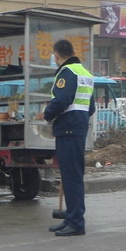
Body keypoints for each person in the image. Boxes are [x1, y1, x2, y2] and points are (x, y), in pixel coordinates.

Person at [44, 39, 95, 236]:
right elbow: (91, 107)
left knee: (71, 177)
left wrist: (47, 115)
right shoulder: (85, 73)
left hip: (68, 129)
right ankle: (71, 218)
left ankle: (76, 223)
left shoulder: (67, 72)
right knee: (72, 176)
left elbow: (61, 101)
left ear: (56, 55)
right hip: (77, 128)